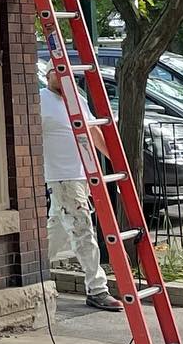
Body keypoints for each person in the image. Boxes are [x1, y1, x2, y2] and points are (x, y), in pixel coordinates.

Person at [39, 63, 122, 311]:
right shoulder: (40, 101)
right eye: (58, 73)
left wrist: (113, 159)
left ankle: (34, 269)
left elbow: (92, 131)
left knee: (59, 228)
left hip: (80, 176)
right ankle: (97, 289)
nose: (64, 78)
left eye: (68, 74)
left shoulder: (77, 100)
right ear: (48, 76)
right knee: (83, 229)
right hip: (62, 177)